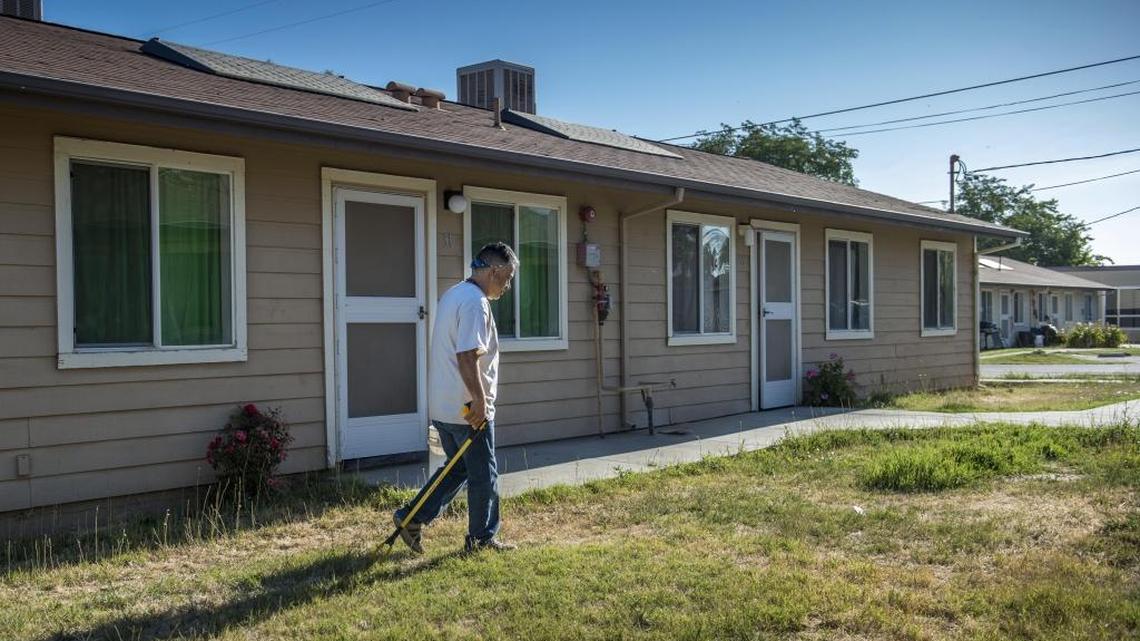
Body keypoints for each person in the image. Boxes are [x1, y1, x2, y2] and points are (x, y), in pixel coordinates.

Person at [392, 242, 519, 554]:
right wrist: (479, 401)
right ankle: (482, 540)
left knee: (459, 468)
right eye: (509, 277)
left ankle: (412, 517)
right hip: (467, 409)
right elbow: (466, 355)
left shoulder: (454, 294)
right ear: (495, 271)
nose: (508, 285)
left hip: (444, 405)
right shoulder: (476, 303)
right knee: (484, 476)